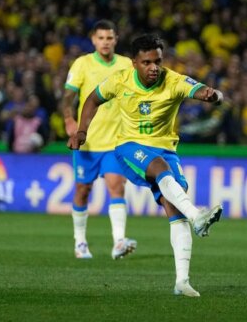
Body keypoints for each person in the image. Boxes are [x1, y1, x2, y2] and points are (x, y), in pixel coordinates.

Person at [68, 33, 224, 297]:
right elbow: (92, 99)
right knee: (161, 170)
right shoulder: (119, 81)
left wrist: (212, 95)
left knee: (174, 207)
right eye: (147, 62)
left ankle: (182, 281)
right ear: (134, 63)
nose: (154, 67)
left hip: (165, 149)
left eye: (158, 61)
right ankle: (198, 216)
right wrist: (82, 131)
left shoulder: (172, 80)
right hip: (129, 146)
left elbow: (200, 90)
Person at [61, 20, 137, 260]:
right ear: (93, 40)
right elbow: (67, 97)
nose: (105, 42)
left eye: (110, 38)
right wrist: (68, 120)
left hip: (115, 141)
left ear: (116, 40)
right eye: (101, 38)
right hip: (88, 141)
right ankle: (80, 242)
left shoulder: (126, 64)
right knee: (83, 190)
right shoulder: (83, 64)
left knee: (117, 186)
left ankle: (119, 242)